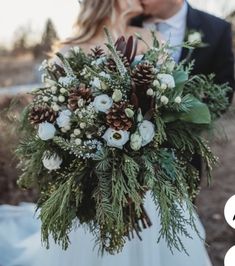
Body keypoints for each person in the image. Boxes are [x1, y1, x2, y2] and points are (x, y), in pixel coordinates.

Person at [0, 1, 212, 265]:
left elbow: (166, 106)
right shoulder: (69, 49)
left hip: (148, 180)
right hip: (93, 188)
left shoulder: (154, 38)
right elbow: (56, 118)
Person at [131, 0, 235, 182]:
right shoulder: (125, 22)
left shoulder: (217, 29)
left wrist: (183, 128)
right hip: (123, 154)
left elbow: (223, 91)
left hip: (183, 155)